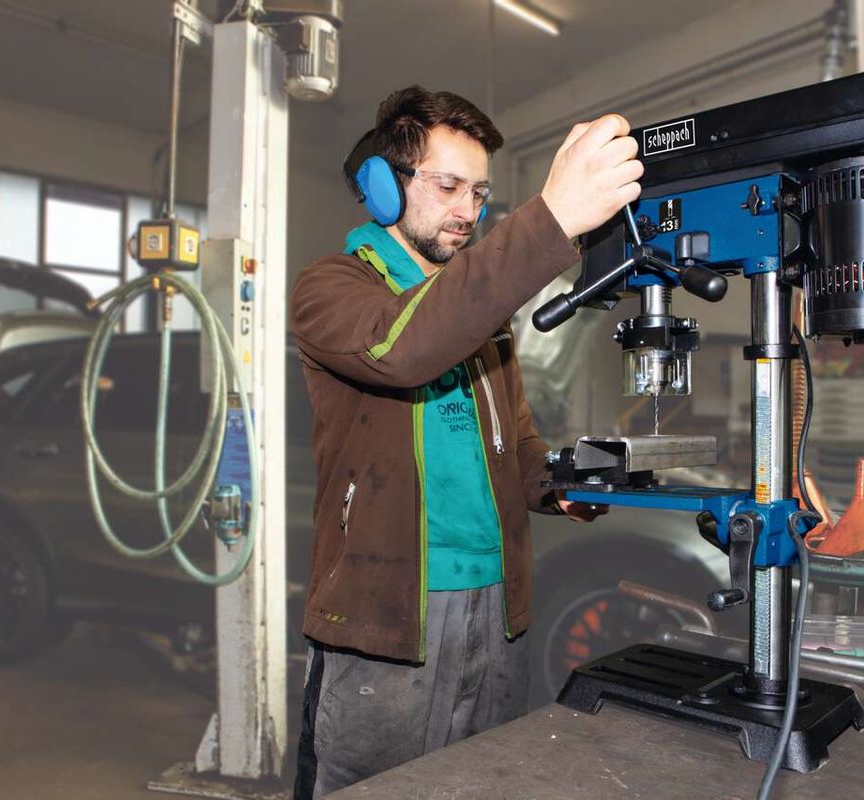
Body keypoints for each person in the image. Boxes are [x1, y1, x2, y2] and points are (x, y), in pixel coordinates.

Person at [289, 85, 642, 798]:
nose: (468, 211)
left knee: (483, 783)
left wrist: (559, 483)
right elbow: (404, 347)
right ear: (383, 187)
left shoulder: (480, 310)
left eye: (479, 193)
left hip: (497, 605)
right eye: (448, 186)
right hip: (390, 612)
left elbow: (513, 440)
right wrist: (551, 219)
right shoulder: (331, 288)